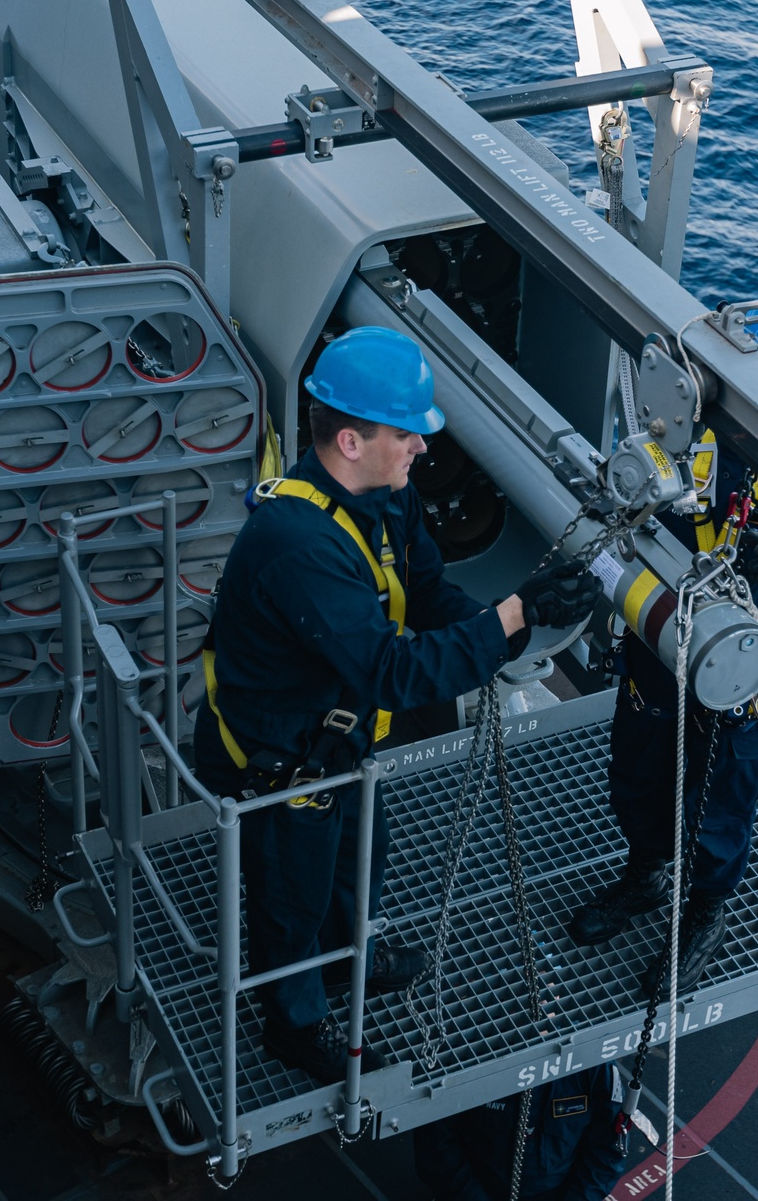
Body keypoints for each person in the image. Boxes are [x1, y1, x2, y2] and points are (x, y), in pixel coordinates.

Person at [194, 325, 600, 1084]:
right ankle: (295, 1022)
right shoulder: (298, 544)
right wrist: (512, 618)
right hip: (280, 760)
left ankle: (354, 962)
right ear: (350, 440)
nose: (422, 447)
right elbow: (393, 673)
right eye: (408, 434)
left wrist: (519, 612)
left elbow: (427, 596)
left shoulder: (387, 500)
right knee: (293, 899)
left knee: (360, 861)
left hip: (337, 737)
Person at [567, 303, 758, 993]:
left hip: (742, 670)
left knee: (723, 799)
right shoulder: (676, 430)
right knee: (638, 773)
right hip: (658, 641)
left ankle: (705, 909)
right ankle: (645, 875)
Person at [413, 1064, 630, 1201]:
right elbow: (436, 1146)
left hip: (559, 1192)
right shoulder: (466, 1060)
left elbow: (607, 1149)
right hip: (476, 1189)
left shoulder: (593, 1065)